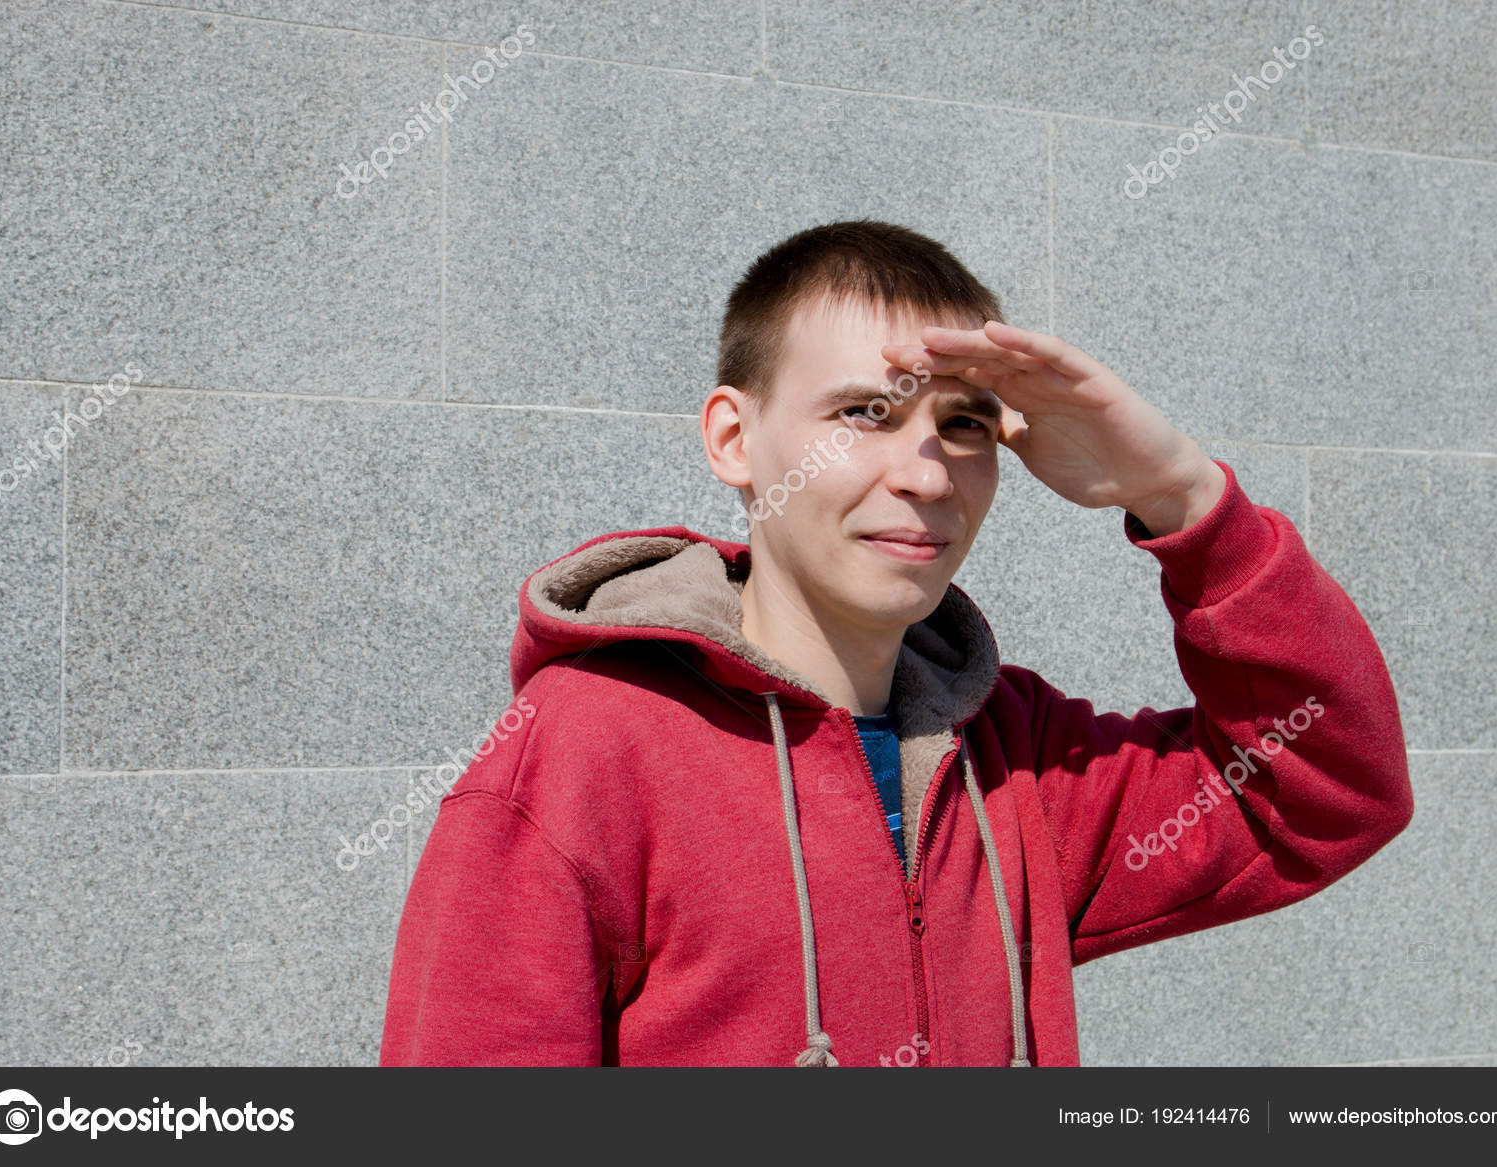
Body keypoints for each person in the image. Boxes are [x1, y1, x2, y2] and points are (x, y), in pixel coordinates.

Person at [378, 220, 1413, 1066]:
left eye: (964, 425)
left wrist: (1182, 498)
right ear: (735, 440)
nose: (926, 474)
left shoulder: (1020, 763)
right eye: (865, 414)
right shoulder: (582, 750)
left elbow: (1324, 786)